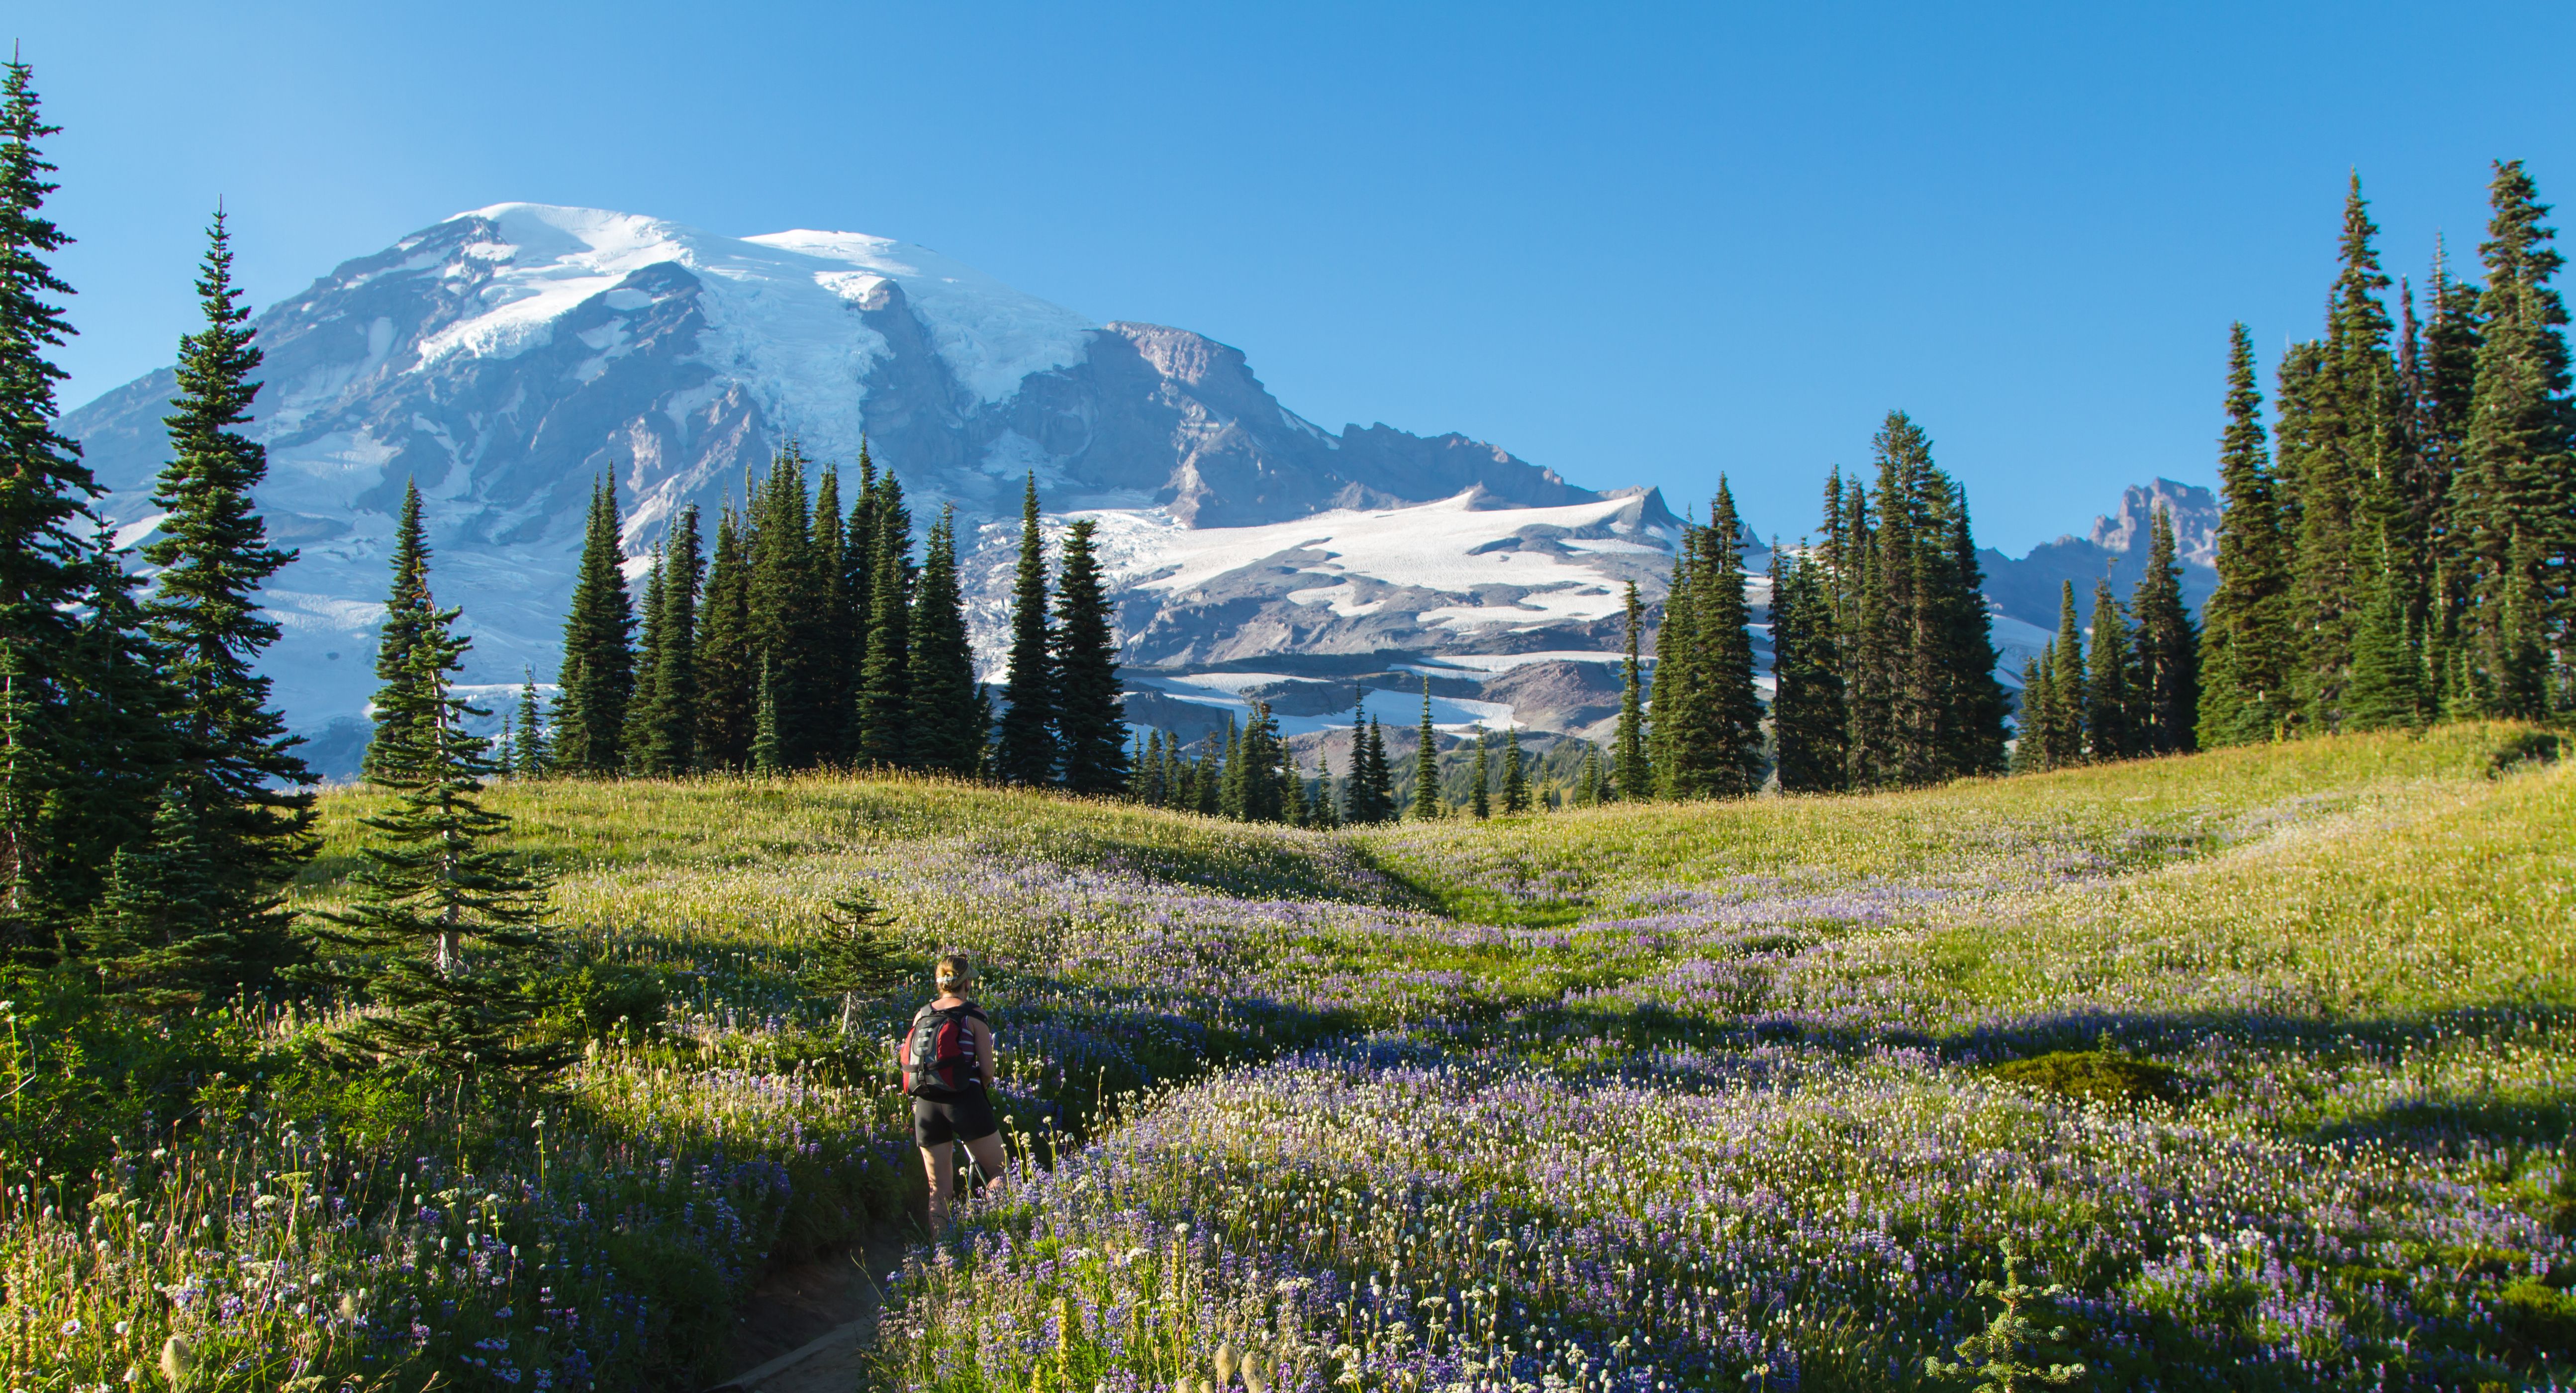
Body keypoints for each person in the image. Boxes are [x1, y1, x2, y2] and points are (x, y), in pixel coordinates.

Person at [899, 952, 1004, 1231]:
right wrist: (978, 1091)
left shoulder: (922, 1014)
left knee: (938, 1190)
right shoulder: (973, 1014)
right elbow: (988, 1070)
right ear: (966, 984)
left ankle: (941, 1259)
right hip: (964, 1099)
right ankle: (993, 1236)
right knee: (1001, 1172)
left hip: (926, 1103)